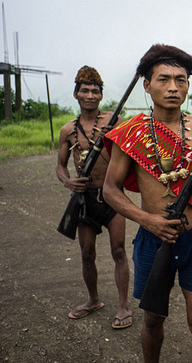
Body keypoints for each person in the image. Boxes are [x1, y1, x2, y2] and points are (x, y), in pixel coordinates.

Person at [103, 45, 192, 363]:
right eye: (164, 79)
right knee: (153, 319)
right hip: (152, 238)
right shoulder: (129, 134)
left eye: (181, 80)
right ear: (147, 84)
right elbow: (110, 191)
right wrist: (147, 220)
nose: (173, 87)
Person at [56, 65, 132, 329]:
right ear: (76, 94)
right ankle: (93, 300)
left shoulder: (115, 121)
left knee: (119, 251)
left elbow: (131, 155)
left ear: (101, 95)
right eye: (85, 90)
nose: (90, 95)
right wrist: (69, 182)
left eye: (95, 91)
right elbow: (60, 166)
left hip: (112, 196)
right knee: (86, 253)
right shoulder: (68, 130)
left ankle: (123, 307)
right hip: (84, 198)